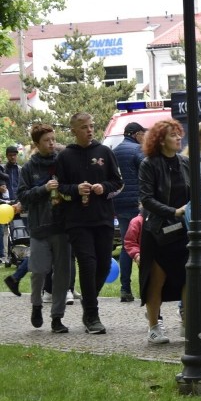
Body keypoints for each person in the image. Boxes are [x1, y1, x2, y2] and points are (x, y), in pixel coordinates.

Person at [56, 112, 123, 335]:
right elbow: (60, 187)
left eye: (91, 126)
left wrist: (104, 187)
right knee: (87, 264)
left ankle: (88, 302)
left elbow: (117, 182)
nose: (89, 130)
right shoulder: (65, 156)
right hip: (77, 220)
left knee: (104, 265)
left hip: (103, 217)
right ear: (74, 131)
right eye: (84, 127)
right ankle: (92, 315)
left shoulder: (104, 152)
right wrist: (76, 189)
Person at [17, 124, 73, 333]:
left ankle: (57, 317)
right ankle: (36, 305)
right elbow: (22, 196)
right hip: (39, 226)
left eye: (52, 139)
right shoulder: (29, 168)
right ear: (37, 144)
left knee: (62, 275)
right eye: (46, 140)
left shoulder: (62, 162)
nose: (51, 143)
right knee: (38, 271)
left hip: (62, 227)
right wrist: (43, 188)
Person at [138, 119, 190, 344]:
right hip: (158, 231)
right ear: (160, 140)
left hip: (183, 230)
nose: (178, 138)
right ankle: (154, 326)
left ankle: (188, 323)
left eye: (179, 134)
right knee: (156, 280)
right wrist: (174, 211)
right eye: (172, 135)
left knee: (188, 277)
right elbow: (146, 198)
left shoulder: (185, 163)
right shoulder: (149, 164)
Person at [112, 121, 147, 302]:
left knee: (128, 245)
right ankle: (146, 289)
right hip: (137, 204)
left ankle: (125, 289)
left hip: (119, 204)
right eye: (142, 134)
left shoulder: (115, 151)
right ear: (134, 134)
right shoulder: (137, 150)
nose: (144, 138)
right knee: (143, 245)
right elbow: (146, 170)